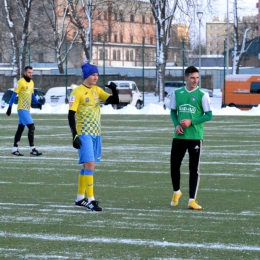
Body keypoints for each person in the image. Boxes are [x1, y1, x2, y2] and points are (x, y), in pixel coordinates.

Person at [68, 62, 119, 212]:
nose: (96, 77)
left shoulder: (97, 90)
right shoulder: (77, 92)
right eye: (93, 74)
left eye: (97, 74)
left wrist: (114, 90)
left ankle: (79, 199)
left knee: (86, 166)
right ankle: (91, 200)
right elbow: (70, 115)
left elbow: (114, 101)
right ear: (86, 76)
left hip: (96, 133)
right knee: (90, 165)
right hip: (84, 133)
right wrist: (74, 135)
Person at [169, 66, 212, 210]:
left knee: (193, 168)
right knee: (174, 166)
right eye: (192, 77)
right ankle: (176, 192)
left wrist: (191, 122)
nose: (195, 80)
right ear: (185, 78)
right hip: (179, 136)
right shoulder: (177, 93)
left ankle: (192, 200)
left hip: (195, 136)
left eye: (197, 78)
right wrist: (176, 125)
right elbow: (173, 111)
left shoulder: (203, 95)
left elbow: (209, 115)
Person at [6, 66, 43, 156]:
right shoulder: (20, 82)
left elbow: (32, 95)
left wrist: (37, 103)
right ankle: (32, 149)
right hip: (22, 109)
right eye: (29, 72)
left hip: (27, 109)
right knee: (31, 127)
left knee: (20, 129)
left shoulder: (31, 83)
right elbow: (13, 95)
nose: (31, 74)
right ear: (24, 73)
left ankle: (14, 149)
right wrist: (9, 107)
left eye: (32, 73)